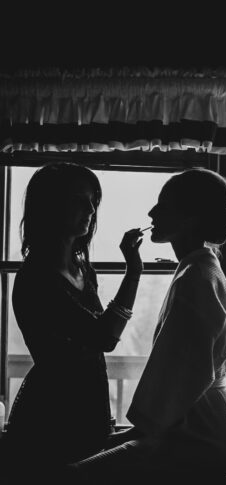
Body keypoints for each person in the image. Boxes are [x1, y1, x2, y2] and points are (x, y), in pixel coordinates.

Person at [68, 168, 226, 483]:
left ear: (188, 218)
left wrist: (135, 431)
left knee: (71, 477)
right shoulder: (200, 267)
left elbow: (179, 372)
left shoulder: (196, 277)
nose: (152, 212)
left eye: (163, 205)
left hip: (202, 435)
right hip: (212, 424)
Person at [2, 162, 144, 480]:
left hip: (89, 406)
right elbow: (104, 337)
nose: (90, 209)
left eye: (93, 200)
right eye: (79, 200)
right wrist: (133, 271)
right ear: (51, 205)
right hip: (51, 415)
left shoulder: (83, 270)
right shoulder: (37, 277)